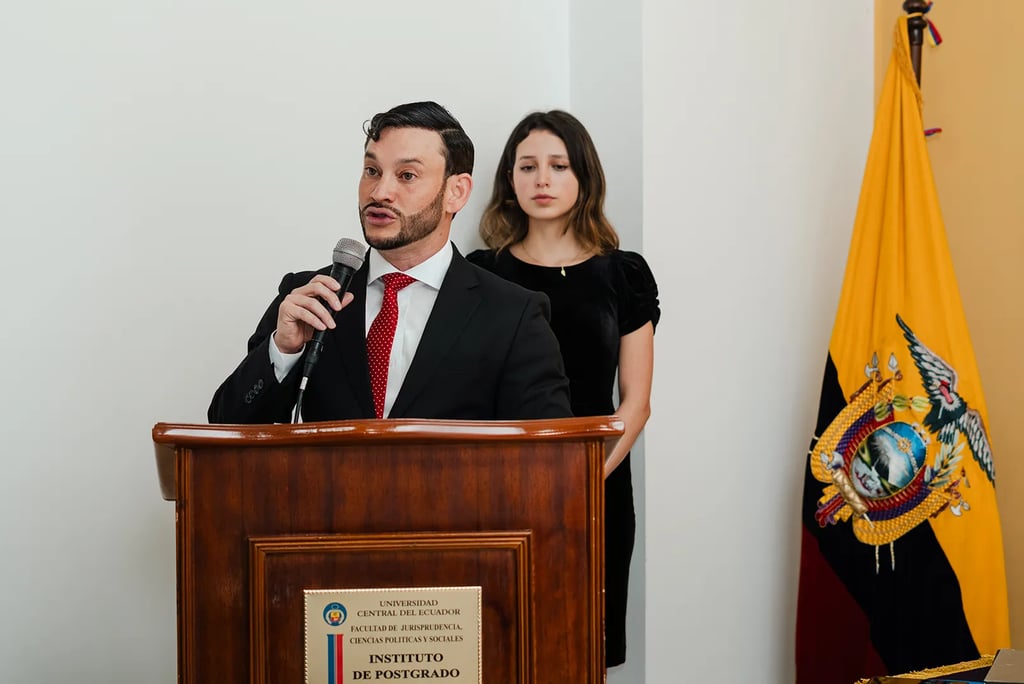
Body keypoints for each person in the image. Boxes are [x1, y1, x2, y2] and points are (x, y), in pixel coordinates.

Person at [208, 101, 571, 424]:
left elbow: (546, 463)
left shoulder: (513, 315)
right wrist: (283, 350)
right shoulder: (309, 298)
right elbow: (226, 426)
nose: (380, 192)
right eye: (372, 171)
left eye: (407, 175)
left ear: (455, 192)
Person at [467, 110, 659, 667]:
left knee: (579, 649)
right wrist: (523, 479)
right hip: (499, 488)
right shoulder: (481, 274)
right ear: (509, 179)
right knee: (496, 648)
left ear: (584, 179)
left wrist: (576, 478)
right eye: (527, 166)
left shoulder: (622, 274)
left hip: (596, 489)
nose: (542, 180)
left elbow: (636, 404)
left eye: (558, 166)